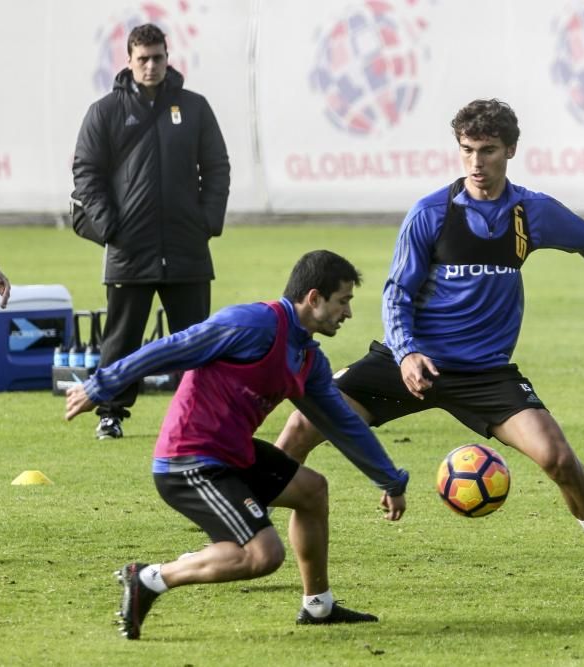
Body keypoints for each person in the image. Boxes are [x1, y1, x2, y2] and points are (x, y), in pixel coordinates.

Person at [275, 98, 584, 587]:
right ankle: (238, 529)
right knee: (301, 425)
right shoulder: (431, 213)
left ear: (510, 150)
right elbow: (396, 292)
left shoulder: (532, 213)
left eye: (487, 151)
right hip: (412, 362)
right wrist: (406, 354)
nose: (476, 163)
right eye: (466, 150)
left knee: (558, 458)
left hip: (485, 373)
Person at [64, 250, 409, 640]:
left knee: (312, 491)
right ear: (314, 298)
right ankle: (148, 578)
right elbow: (173, 347)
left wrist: (389, 479)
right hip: (189, 460)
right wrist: (102, 385)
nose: (347, 313)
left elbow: (344, 424)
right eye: (343, 301)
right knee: (263, 556)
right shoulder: (253, 323)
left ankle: (319, 606)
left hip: (234, 453)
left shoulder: (307, 358)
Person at [72, 23, 230, 440]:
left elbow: (216, 167)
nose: (151, 65)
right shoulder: (104, 111)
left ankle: (199, 416)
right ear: (128, 61)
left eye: (158, 57)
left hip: (187, 248)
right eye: (142, 58)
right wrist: (109, 226)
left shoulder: (194, 108)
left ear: (167, 57)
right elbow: (86, 172)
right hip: (130, 249)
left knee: (196, 342)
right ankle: (111, 413)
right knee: (121, 341)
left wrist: (208, 221)